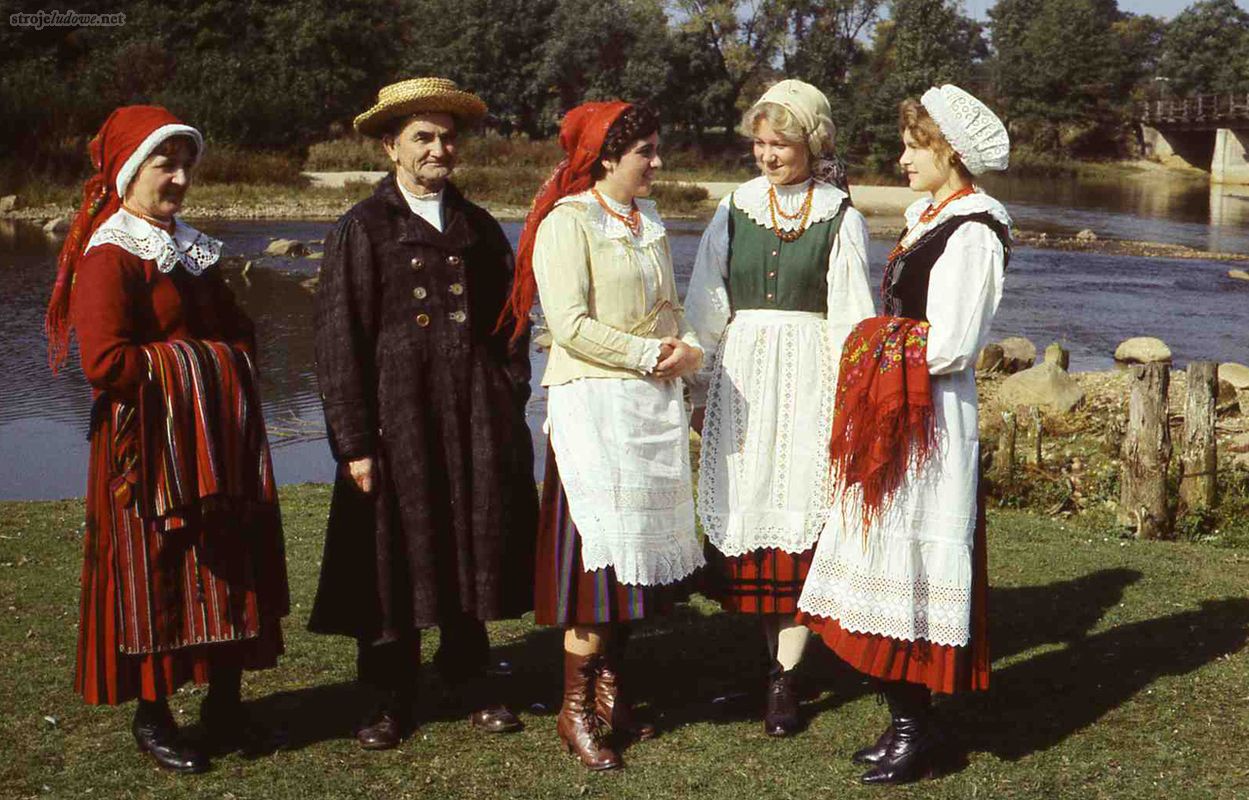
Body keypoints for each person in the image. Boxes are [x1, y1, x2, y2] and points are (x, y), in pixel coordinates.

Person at [45, 105, 289, 774]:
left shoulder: (193, 248)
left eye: (187, 165)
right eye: (165, 164)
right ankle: (153, 716)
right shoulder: (113, 255)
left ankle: (226, 705)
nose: (180, 177)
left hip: (211, 440)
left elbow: (242, 333)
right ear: (130, 172)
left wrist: (216, 362)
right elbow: (104, 363)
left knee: (228, 560)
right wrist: (205, 366)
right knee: (155, 573)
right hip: (144, 447)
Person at [309, 77, 538, 750]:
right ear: (390, 148)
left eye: (446, 136)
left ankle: (467, 673)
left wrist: (505, 391)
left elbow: (513, 322)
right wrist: (353, 441)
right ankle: (387, 695)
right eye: (422, 137)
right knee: (391, 554)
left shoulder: (476, 225)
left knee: (469, 538)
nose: (439, 148)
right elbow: (336, 340)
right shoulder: (364, 227)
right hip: (395, 416)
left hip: (473, 413)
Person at [796, 84, 1012, 784]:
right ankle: (906, 721)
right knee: (878, 560)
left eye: (913, 147)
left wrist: (867, 338)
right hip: (903, 412)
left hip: (930, 421)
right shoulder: (930, 217)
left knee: (909, 568)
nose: (900, 159)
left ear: (947, 151)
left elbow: (949, 344)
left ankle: (916, 728)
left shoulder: (973, 230)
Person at [499, 101, 704, 771]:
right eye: (645, 149)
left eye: (654, 147)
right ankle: (575, 711)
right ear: (606, 158)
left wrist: (687, 351)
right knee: (595, 570)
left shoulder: (647, 224)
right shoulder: (569, 222)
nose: (656, 160)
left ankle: (613, 698)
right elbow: (570, 324)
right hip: (592, 409)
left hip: (646, 410)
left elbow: (670, 309)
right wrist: (649, 355)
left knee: (631, 565)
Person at [683, 79, 874, 735]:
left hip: (807, 380)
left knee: (799, 517)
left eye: (780, 143)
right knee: (751, 517)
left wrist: (847, 400)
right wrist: (700, 386)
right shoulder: (733, 208)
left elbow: (852, 319)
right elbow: (706, 302)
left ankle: (786, 680)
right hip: (744, 375)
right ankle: (766, 668)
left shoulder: (840, 216)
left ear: (811, 144)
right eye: (759, 143)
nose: (766, 155)